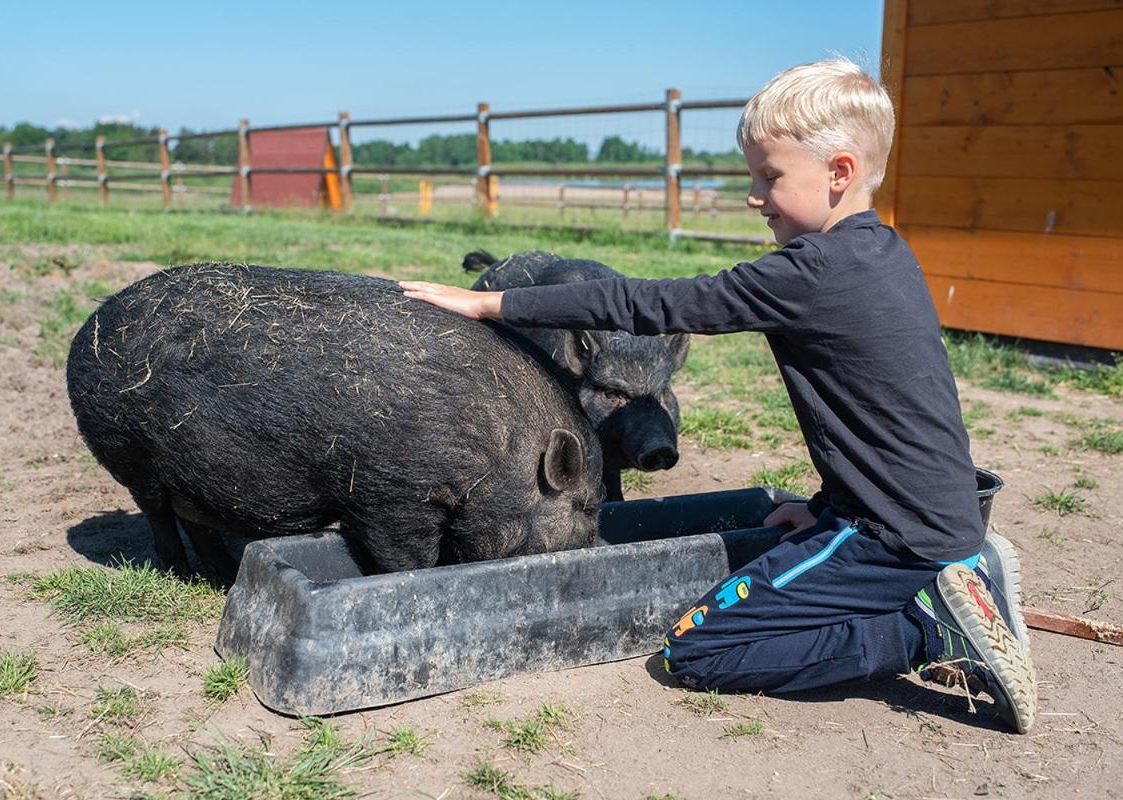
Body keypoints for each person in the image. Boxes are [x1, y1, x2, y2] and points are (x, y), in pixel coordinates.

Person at [400, 58, 1037, 733]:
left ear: (839, 173)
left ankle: (927, 630)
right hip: (922, 514)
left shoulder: (809, 271)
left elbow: (648, 302)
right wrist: (824, 508)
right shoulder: (883, 252)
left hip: (887, 538)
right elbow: (894, 417)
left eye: (770, 178)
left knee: (697, 650)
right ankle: (967, 562)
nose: (755, 197)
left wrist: (495, 302)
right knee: (783, 560)